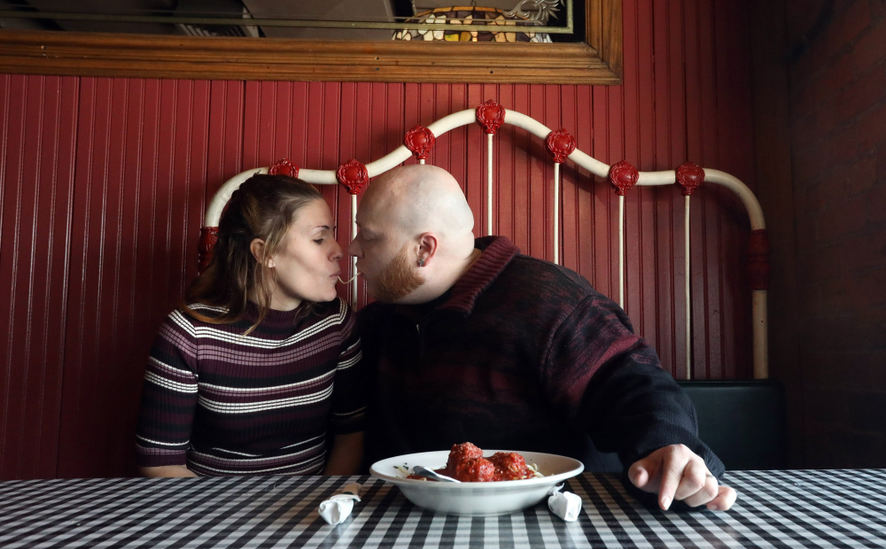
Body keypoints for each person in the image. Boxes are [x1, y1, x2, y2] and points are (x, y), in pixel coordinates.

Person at [350, 164, 736, 511]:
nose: (352, 249)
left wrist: (664, 445)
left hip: (549, 526)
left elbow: (629, 381)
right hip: (402, 526)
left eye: (367, 237)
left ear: (424, 249)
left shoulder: (549, 302)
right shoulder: (383, 317)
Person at [136, 173, 365, 477]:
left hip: (312, 512)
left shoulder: (336, 323)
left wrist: (325, 506)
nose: (339, 250)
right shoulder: (190, 335)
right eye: (319, 238)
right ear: (265, 252)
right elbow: (160, 463)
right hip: (212, 513)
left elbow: (351, 435)